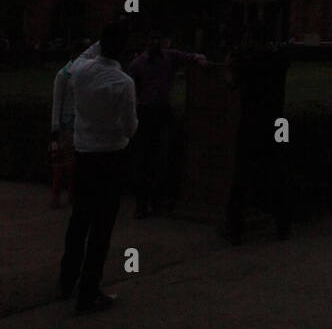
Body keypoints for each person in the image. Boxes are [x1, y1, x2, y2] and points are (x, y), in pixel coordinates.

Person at [58, 22, 137, 312]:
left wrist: (101, 41)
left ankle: (66, 280)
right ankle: (88, 290)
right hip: (110, 158)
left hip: (84, 154)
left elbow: (77, 61)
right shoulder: (122, 82)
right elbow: (130, 128)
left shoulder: (81, 70)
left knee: (79, 220)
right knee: (101, 227)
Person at [224, 29, 292, 244]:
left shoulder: (248, 63)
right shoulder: (279, 60)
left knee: (241, 175)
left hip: (251, 123)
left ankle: (235, 229)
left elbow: (231, 83)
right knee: (277, 172)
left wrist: (230, 65)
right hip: (276, 121)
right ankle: (283, 224)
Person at [129, 33, 207, 218]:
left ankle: (155, 201)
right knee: (146, 158)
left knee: (158, 156)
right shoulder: (139, 64)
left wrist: (200, 59)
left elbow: (191, 57)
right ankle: (143, 203)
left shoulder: (167, 57)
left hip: (160, 110)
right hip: (147, 112)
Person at [49, 38, 90, 208]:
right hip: (67, 124)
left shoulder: (77, 73)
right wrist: (55, 128)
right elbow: (56, 103)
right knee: (64, 164)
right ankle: (58, 196)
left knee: (73, 164)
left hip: (76, 122)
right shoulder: (63, 75)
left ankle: (70, 195)